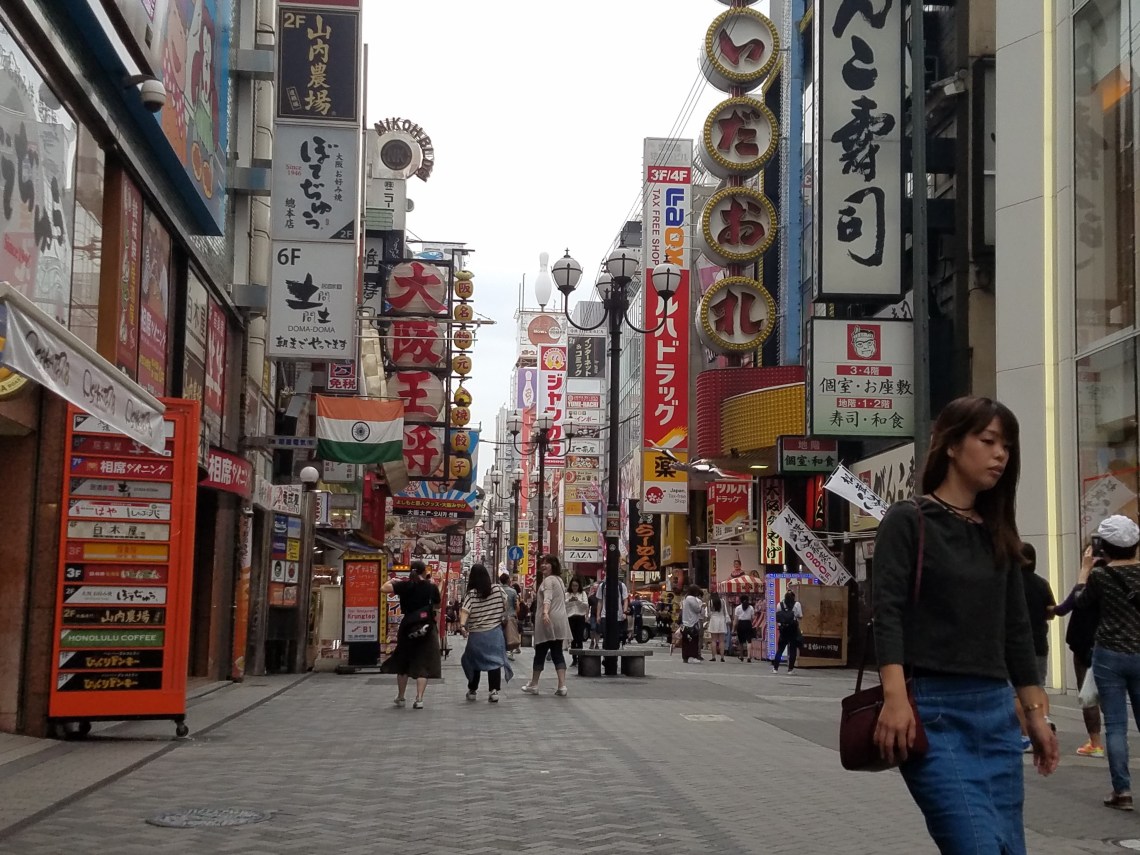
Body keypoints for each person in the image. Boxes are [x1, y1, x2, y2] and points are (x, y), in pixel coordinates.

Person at [873, 396, 1058, 852]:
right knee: (972, 843)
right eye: (988, 440)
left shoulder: (996, 531)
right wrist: (895, 700)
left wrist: (1035, 716)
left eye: (1007, 446)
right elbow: (888, 613)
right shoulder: (909, 520)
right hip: (933, 713)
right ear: (952, 445)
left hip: (996, 715)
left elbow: (1016, 627)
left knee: (1006, 846)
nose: (1000, 455)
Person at [1074, 515, 1140, 810]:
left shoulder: (1100, 577)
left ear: (1105, 546)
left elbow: (1080, 602)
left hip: (1109, 655)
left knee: (1115, 725)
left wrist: (1085, 570)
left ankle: (1122, 791)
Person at [1054, 554, 1106, 758]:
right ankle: (1116, 738)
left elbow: (1064, 608)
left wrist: (1083, 573)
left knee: (1088, 695)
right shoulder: (1112, 587)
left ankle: (1095, 743)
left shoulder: (1085, 590)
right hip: (1108, 646)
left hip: (1084, 647)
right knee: (1111, 695)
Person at [380, 559, 442, 710]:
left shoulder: (405, 585)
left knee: (404, 661)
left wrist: (393, 580)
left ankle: (401, 697)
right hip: (427, 628)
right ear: (424, 572)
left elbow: (383, 589)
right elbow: (437, 604)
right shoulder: (431, 586)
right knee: (423, 662)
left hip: (408, 626)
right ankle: (419, 698)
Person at [1015, 543, 1057, 751]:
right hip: (1040, 642)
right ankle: (1046, 722)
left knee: (1016, 691)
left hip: (1016, 645)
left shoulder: (1010, 582)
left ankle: (1025, 735)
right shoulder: (1042, 583)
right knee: (1039, 686)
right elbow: (1051, 610)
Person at [460, 564, 513, 703]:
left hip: (476, 635)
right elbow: (506, 604)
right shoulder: (497, 589)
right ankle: (494, 691)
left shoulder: (471, 594)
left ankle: (472, 689)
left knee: (473, 661)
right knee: (494, 662)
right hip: (494, 633)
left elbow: (465, 611)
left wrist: (462, 626)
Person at [521, 555, 572, 696]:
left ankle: (534, 683)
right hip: (560, 619)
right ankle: (562, 686)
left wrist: (545, 613)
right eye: (542, 563)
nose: (543, 565)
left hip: (548, 620)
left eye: (547, 563)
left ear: (553, 566)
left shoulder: (548, 581)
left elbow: (547, 598)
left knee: (541, 651)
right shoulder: (560, 581)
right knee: (557, 652)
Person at [772, 591, 802, 673]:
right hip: (793, 629)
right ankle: (790, 669)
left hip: (783, 629)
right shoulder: (797, 604)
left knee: (780, 649)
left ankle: (775, 668)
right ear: (793, 597)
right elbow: (800, 616)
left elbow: (778, 617)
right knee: (793, 649)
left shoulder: (779, 604)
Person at [595, 574, 629, 646]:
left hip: (618, 615)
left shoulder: (621, 586)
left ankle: (614, 652)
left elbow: (625, 600)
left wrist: (625, 612)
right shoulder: (602, 586)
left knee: (616, 637)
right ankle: (606, 652)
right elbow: (600, 601)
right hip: (605, 614)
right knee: (606, 635)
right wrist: (598, 615)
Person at [566, 577, 590, 665]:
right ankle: (574, 659)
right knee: (572, 638)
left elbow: (586, 605)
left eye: (576, 585)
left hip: (580, 617)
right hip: (571, 617)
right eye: (573, 585)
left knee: (579, 638)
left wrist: (577, 601)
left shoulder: (582, 593)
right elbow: (564, 604)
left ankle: (580, 658)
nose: (574, 587)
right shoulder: (568, 594)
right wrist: (570, 600)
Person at [680, 585, 705, 663]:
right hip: (692, 622)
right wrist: (702, 606)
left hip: (685, 622)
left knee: (685, 642)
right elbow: (697, 609)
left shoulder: (685, 598)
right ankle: (693, 656)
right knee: (694, 641)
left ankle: (685, 657)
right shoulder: (692, 599)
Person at [500, 574, 521, 661]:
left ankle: (502, 652)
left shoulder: (498, 590)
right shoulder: (513, 591)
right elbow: (516, 605)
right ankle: (510, 652)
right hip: (511, 615)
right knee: (511, 634)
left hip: (500, 616)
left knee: (501, 634)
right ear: (508, 580)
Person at [733, 595, 756, 663]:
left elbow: (735, 620)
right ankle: (749, 656)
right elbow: (753, 618)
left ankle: (741, 656)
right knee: (749, 641)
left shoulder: (738, 608)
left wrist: (733, 628)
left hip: (741, 624)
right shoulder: (751, 607)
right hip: (748, 624)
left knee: (741, 641)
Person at [707, 594, 728, 662]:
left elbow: (709, 614)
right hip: (721, 620)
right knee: (721, 640)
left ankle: (713, 657)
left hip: (713, 620)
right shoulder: (723, 601)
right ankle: (722, 657)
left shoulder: (710, 602)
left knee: (713, 640)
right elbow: (725, 612)